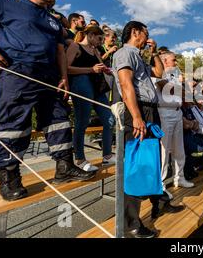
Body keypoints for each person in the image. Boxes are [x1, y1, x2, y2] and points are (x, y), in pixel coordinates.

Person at [0, 0, 95, 201]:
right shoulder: (5, 4)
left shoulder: (52, 19)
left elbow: (60, 49)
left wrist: (64, 77)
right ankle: (10, 178)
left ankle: (64, 167)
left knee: (58, 121)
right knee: (15, 125)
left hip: (50, 78)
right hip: (16, 74)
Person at [113, 21, 183, 238]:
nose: (148, 36)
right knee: (136, 165)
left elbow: (159, 73)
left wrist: (153, 53)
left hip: (149, 111)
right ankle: (130, 224)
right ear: (136, 32)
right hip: (138, 111)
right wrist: (136, 117)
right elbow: (126, 85)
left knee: (151, 160)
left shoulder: (139, 57)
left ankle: (159, 202)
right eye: (146, 33)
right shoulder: (124, 53)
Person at [66, 25, 115, 171]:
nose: (101, 42)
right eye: (100, 38)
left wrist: (106, 70)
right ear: (91, 35)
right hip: (81, 84)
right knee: (82, 121)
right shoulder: (76, 47)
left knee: (109, 119)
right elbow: (66, 68)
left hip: (97, 88)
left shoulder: (95, 50)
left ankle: (107, 155)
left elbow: (100, 66)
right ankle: (80, 159)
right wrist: (91, 69)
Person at [156, 51, 194, 197]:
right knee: (164, 151)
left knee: (179, 149)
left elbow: (184, 94)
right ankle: (161, 183)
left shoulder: (174, 75)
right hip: (165, 112)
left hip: (177, 112)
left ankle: (180, 177)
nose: (176, 62)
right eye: (173, 60)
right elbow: (168, 90)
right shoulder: (159, 73)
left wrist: (181, 91)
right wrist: (182, 91)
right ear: (164, 61)